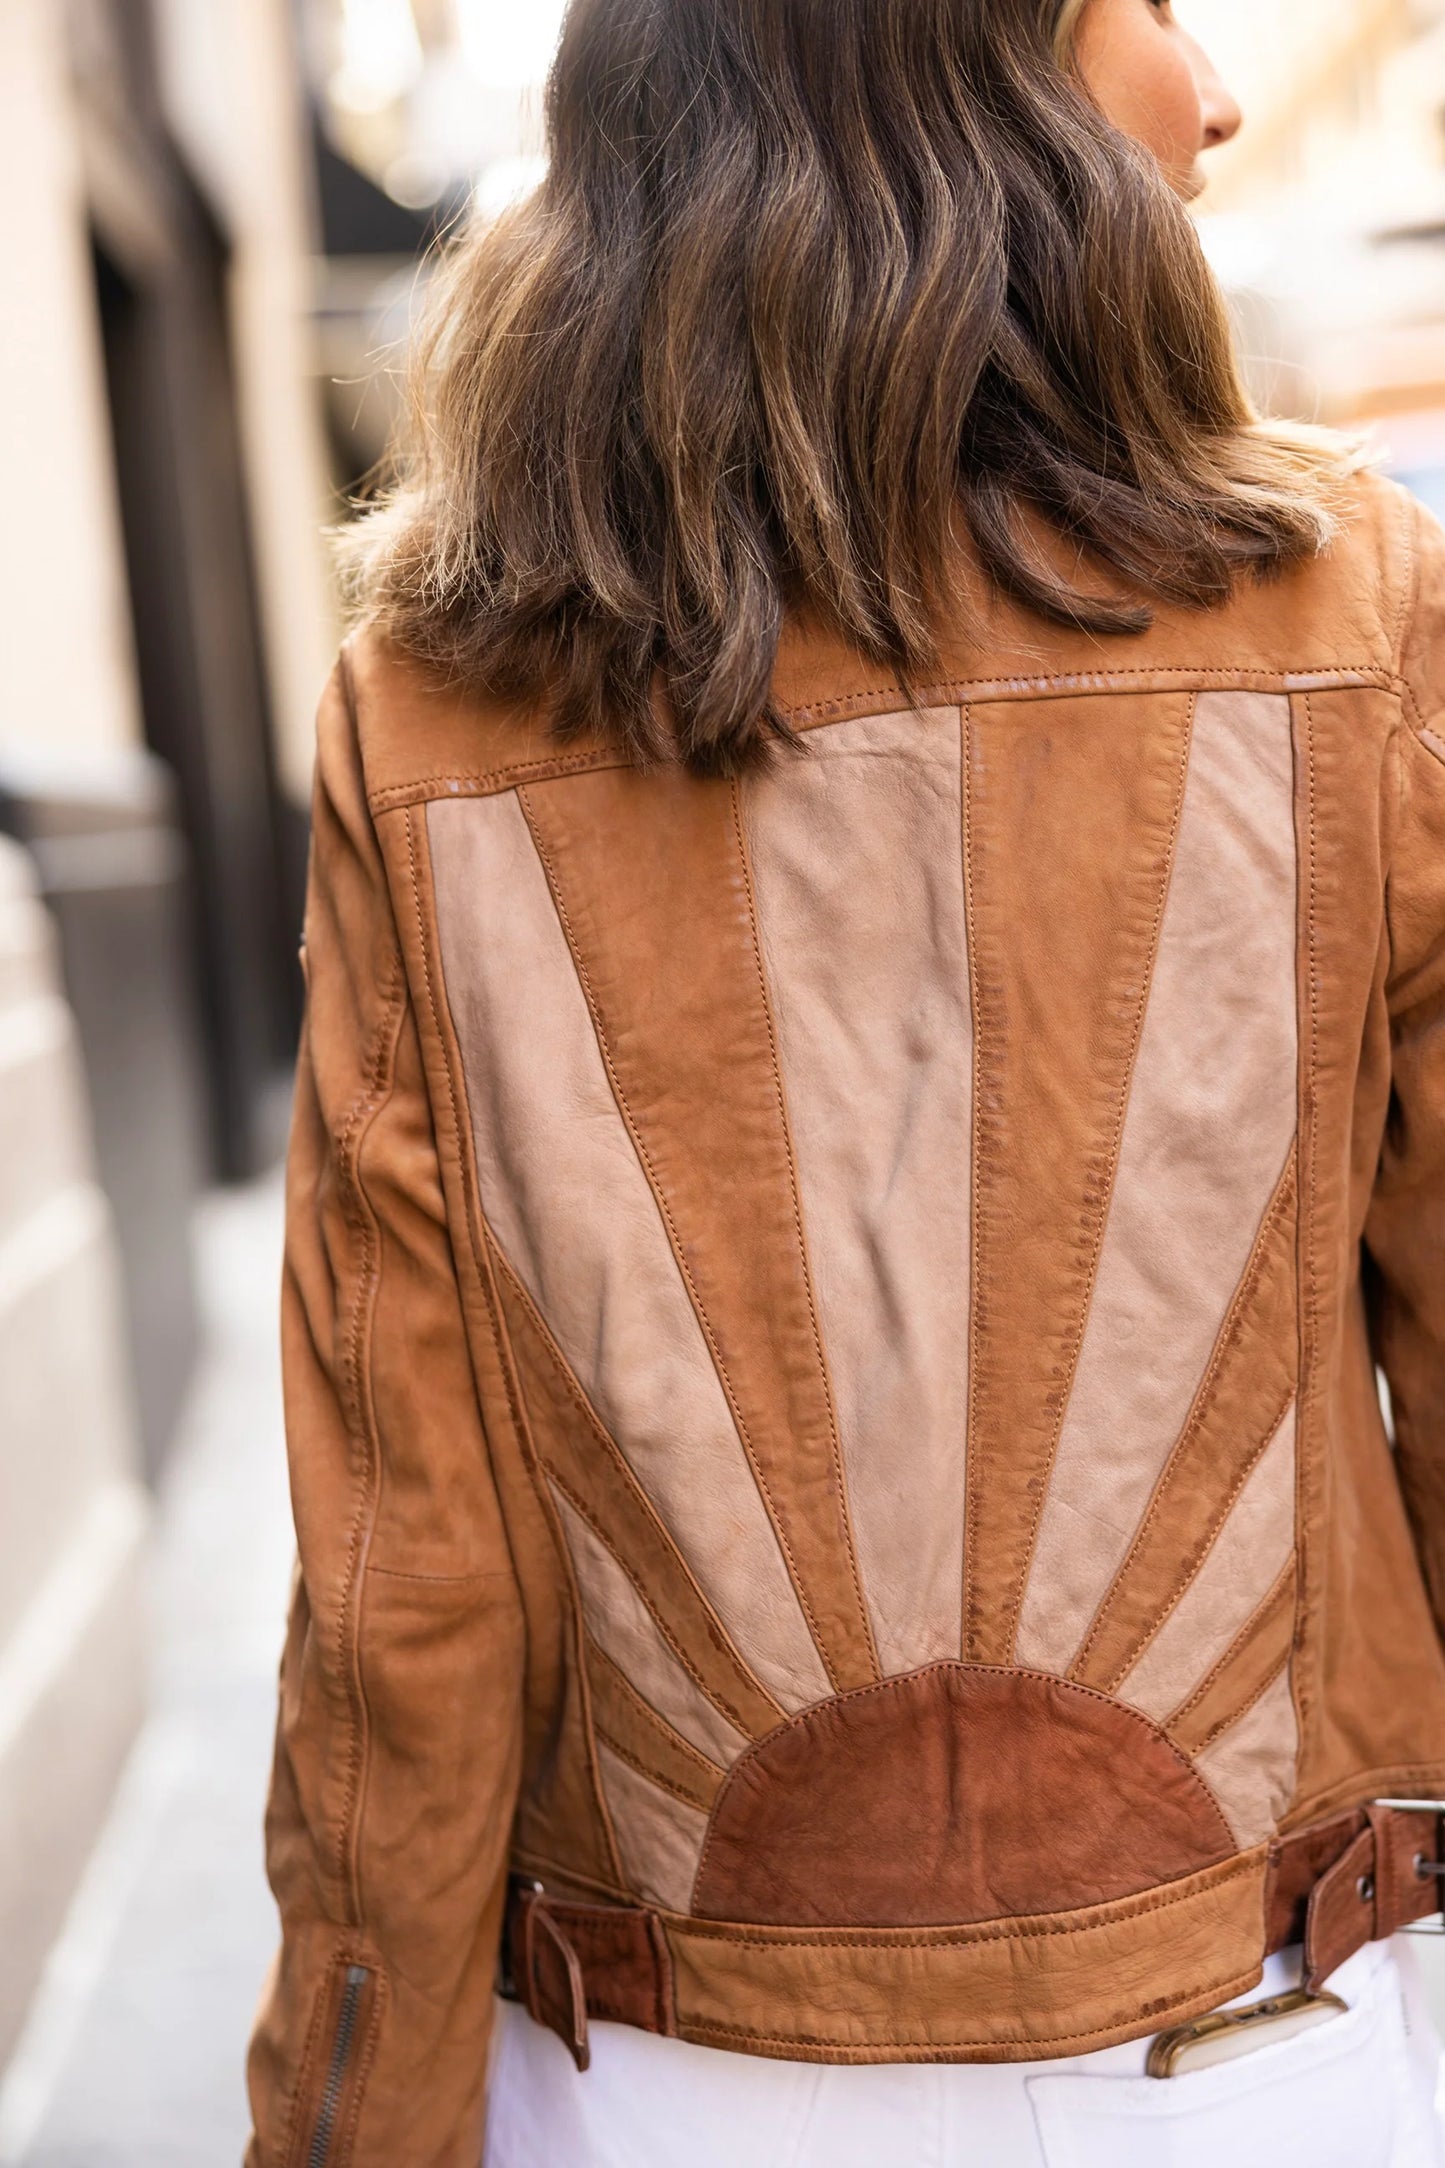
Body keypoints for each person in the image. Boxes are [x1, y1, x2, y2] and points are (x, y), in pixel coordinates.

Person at [244, 1, 1445, 2162]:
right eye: (1158, 2)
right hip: (1269, 2047)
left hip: (657, 2083)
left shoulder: (428, 709)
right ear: (957, 61)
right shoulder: (1363, 622)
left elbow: (402, 1590)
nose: (1227, 89)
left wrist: (349, 2123)